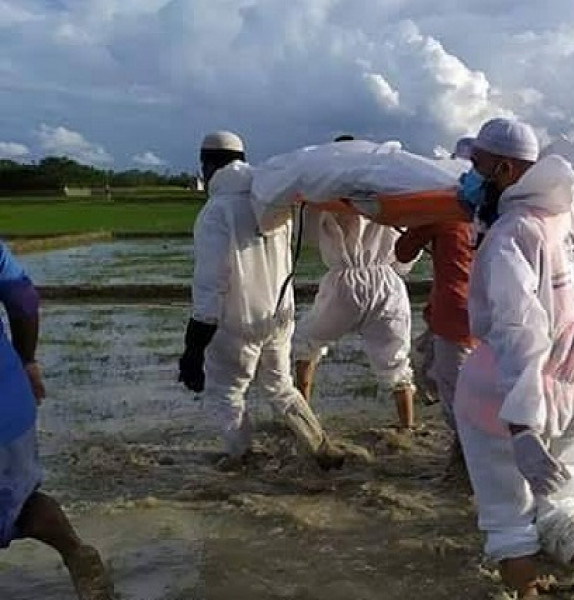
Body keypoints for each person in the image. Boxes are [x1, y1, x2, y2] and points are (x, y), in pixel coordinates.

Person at [453, 118, 574, 599]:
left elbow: (517, 331)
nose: (468, 177)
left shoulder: (514, 233)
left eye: (476, 166)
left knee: (508, 522)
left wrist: (522, 425)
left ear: (505, 169)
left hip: (507, 396)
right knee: (563, 509)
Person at [177, 131, 344, 470]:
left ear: (207, 165)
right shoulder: (271, 202)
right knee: (281, 387)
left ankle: (244, 459)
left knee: (226, 394)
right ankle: (320, 448)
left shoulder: (217, 211)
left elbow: (211, 283)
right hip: (279, 317)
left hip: (234, 322)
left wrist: (193, 349)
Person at [0, 240, 115, 599]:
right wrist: (27, 362)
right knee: (20, 500)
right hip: (8, 403)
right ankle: (77, 553)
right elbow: (23, 301)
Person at [293, 136, 417, 430]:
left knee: (305, 342)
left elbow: (308, 235)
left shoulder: (327, 189)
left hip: (346, 281)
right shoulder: (388, 190)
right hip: (388, 282)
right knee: (396, 361)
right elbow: (404, 241)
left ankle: (303, 414)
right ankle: (408, 428)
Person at [394, 189, 477, 440]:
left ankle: (466, 463)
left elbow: (403, 252)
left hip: (453, 315)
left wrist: (421, 219)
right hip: (487, 313)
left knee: (457, 402)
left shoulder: (442, 214)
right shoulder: (494, 213)